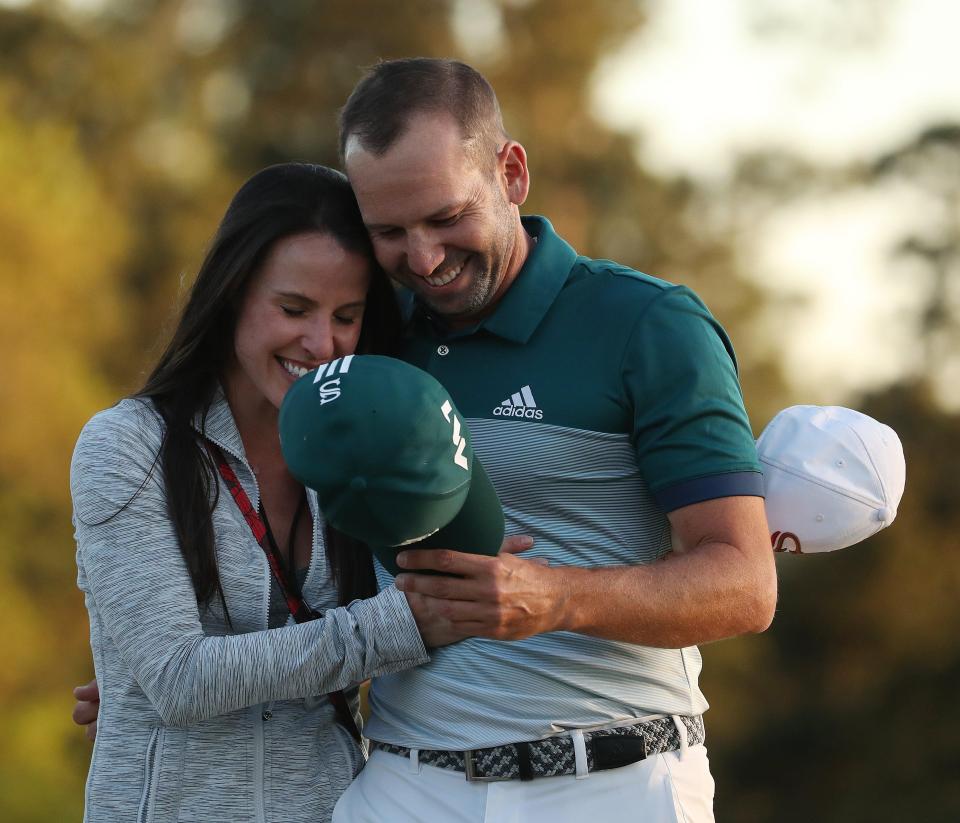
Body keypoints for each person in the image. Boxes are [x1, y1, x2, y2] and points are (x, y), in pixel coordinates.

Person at [328, 58, 778, 822]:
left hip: (617, 779)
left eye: (445, 217)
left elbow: (745, 583)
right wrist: (215, 671)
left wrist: (556, 597)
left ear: (511, 172)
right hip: (402, 782)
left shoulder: (650, 324)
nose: (424, 259)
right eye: (389, 233)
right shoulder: (363, 331)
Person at [69, 162, 529, 823]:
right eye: (293, 309)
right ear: (231, 294)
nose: (322, 344)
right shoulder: (126, 446)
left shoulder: (362, 450)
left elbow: (392, 641)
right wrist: (402, 623)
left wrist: (471, 591)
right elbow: (178, 678)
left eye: (346, 315)